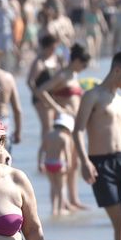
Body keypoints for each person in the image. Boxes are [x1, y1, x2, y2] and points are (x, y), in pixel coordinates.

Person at [72, 49, 121, 240]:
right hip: (101, 165)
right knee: (119, 222)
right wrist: (84, 162)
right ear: (118, 71)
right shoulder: (92, 96)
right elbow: (77, 131)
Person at [39, 44, 92, 211]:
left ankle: (73, 199)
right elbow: (41, 90)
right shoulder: (62, 75)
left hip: (76, 122)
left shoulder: (74, 75)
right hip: (65, 122)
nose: (84, 68)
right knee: (66, 161)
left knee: (74, 162)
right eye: (83, 64)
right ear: (76, 60)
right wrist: (57, 108)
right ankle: (64, 202)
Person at [39, 113, 73, 216]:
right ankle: (61, 208)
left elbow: (41, 150)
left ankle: (53, 209)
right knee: (61, 187)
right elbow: (67, 153)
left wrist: (40, 163)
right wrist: (68, 165)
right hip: (59, 164)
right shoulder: (64, 137)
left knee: (53, 186)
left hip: (48, 163)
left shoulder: (48, 135)